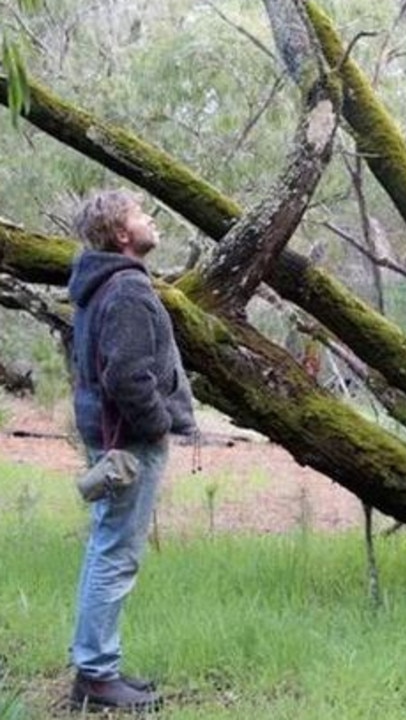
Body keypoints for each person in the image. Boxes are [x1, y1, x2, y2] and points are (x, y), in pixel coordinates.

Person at [66, 189, 196, 712]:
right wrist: (160, 424)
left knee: (107, 547)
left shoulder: (103, 284)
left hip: (113, 435)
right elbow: (125, 375)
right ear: (122, 234)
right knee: (115, 554)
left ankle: (94, 668)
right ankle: (97, 677)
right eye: (141, 214)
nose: (151, 219)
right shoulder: (126, 290)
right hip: (130, 441)